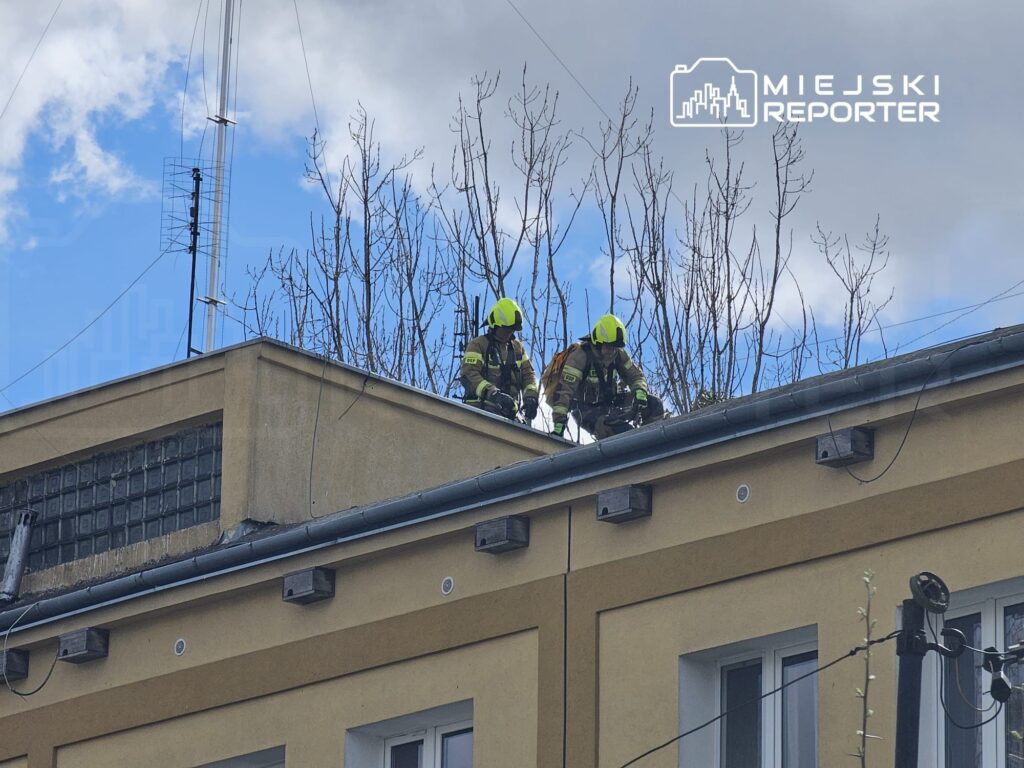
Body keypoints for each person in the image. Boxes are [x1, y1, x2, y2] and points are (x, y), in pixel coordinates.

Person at [548, 314, 664, 439]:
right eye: (609, 347)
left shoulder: (618, 354)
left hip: (611, 403)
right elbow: (565, 392)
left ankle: (652, 440)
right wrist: (559, 424)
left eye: (615, 348)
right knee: (621, 432)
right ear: (598, 343)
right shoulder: (579, 357)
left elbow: (635, 375)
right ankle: (633, 448)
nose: (612, 352)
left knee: (654, 404)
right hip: (586, 411)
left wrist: (639, 391)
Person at [460, 297, 539, 421]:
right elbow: (468, 375)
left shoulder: (517, 348)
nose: (509, 333)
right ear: (495, 325)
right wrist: (494, 395)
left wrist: (531, 398)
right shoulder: (478, 345)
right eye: (506, 328)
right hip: (480, 415)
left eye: (512, 329)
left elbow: (528, 375)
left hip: (510, 418)